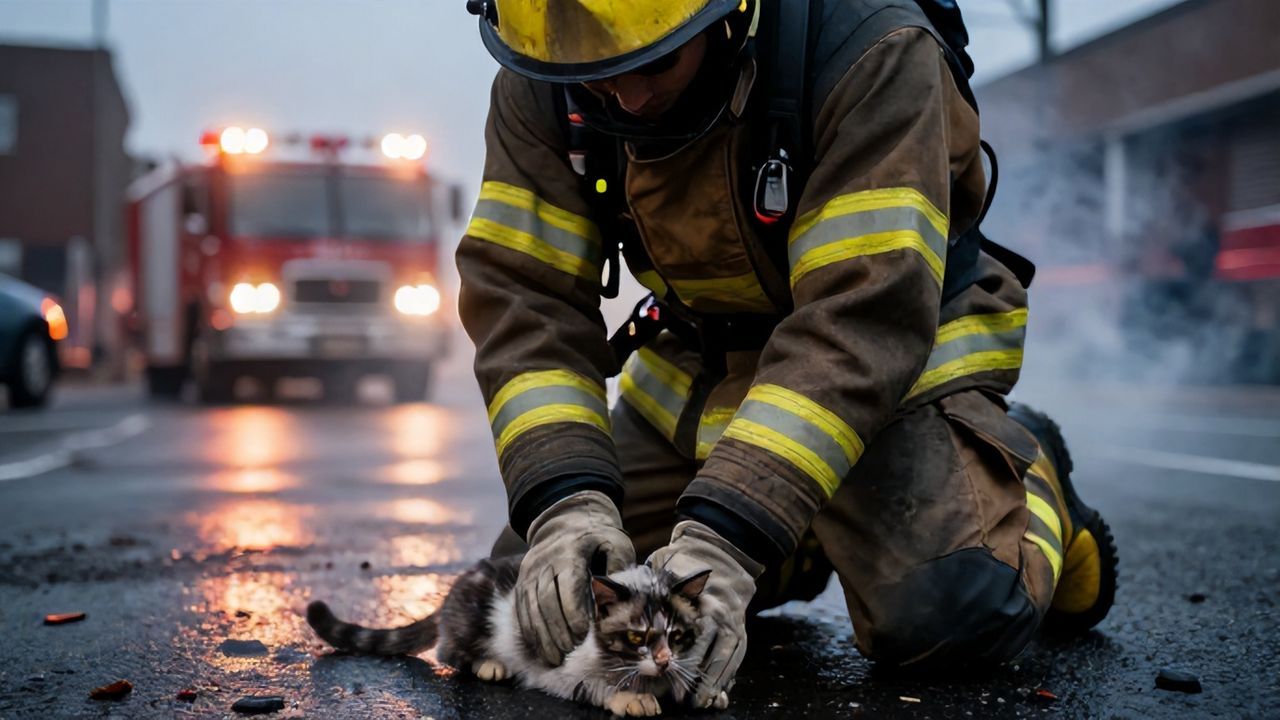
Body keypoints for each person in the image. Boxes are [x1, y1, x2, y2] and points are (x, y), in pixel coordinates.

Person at [456, 0, 1119, 707]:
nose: (630, 97)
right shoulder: (548, 69)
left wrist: (728, 537)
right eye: (598, 78)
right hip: (704, 371)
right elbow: (528, 303)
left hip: (888, 369)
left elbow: (860, 322)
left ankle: (1033, 485)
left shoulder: (872, 46)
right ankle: (795, 533)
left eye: (655, 63)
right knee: (542, 600)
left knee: (948, 615)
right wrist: (565, 501)